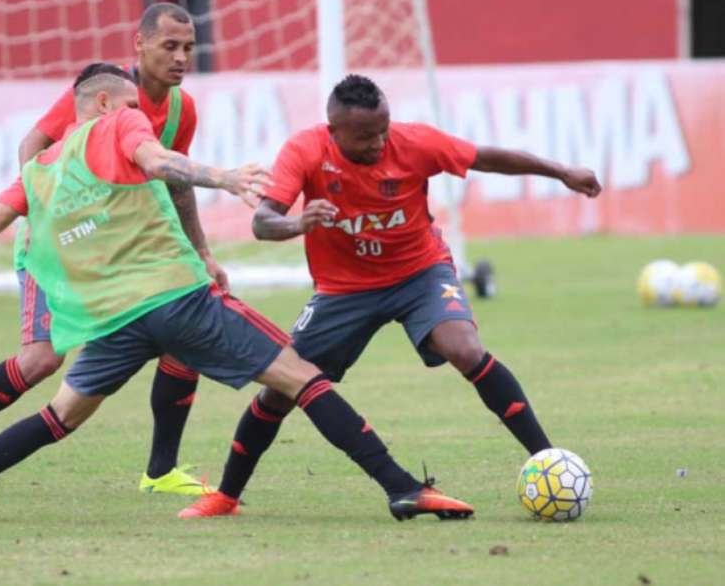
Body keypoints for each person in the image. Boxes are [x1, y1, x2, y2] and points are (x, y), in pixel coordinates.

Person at [0, 68, 474, 523]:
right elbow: (160, 160)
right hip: (179, 302)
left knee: (59, 417)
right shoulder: (122, 122)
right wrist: (224, 177)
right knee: (304, 378)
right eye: (133, 103)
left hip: (114, 323)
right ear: (105, 103)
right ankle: (401, 487)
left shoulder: (36, 172)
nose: (143, 112)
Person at [178, 73, 602, 518]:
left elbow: (486, 157)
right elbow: (263, 222)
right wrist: (298, 224)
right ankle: (226, 496)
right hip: (344, 291)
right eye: (365, 136)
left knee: (465, 348)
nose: (379, 142)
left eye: (384, 128)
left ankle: (549, 461)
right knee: (282, 388)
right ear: (333, 130)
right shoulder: (305, 150)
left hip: (419, 273)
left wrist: (561, 171)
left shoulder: (415, 143)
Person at [0, 3, 219, 499]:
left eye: (188, 47)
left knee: (185, 330)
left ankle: (160, 470)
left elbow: (176, 182)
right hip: (57, 243)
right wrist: (48, 213)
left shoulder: (182, 109)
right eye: (170, 46)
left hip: (117, 252)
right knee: (40, 361)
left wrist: (200, 251)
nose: (181, 57)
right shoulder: (104, 93)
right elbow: (33, 146)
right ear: (140, 45)